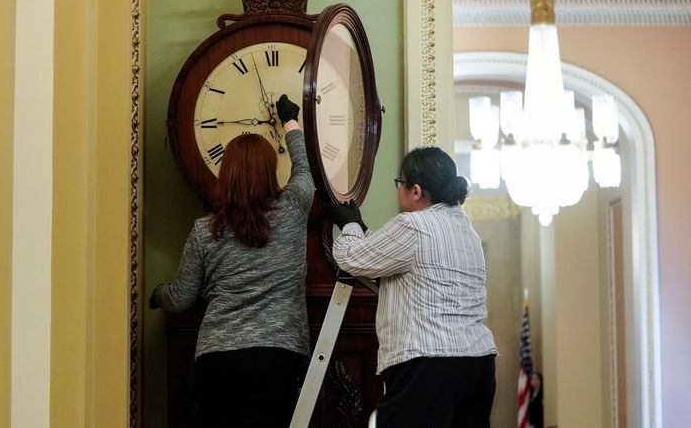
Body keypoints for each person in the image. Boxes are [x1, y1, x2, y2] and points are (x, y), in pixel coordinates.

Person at [149, 94, 313, 428]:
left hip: (216, 358)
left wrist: (155, 294)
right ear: (270, 171)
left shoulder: (205, 230)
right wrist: (289, 122)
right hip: (277, 355)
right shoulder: (294, 210)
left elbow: (180, 298)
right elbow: (305, 169)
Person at [323, 146, 497, 428]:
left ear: (415, 191)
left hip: (428, 366)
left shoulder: (413, 225)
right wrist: (363, 231)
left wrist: (350, 226)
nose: (398, 190)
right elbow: (404, 267)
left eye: (399, 184)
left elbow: (350, 257)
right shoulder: (467, 230)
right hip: (477, 363)